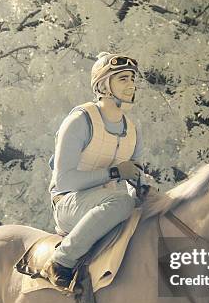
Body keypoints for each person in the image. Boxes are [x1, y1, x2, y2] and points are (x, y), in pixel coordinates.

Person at [43, 52, 144, 288]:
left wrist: (146, 190)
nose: (131, 85)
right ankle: (61, 261)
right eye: (123, 79)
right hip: (69, 203)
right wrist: (115, 173)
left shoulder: (134, 129)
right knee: (122, 202)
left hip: (107, 203)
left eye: (132, 79)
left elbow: (136, 176)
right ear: (103, 85)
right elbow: (64, 181)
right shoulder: (79, 120)